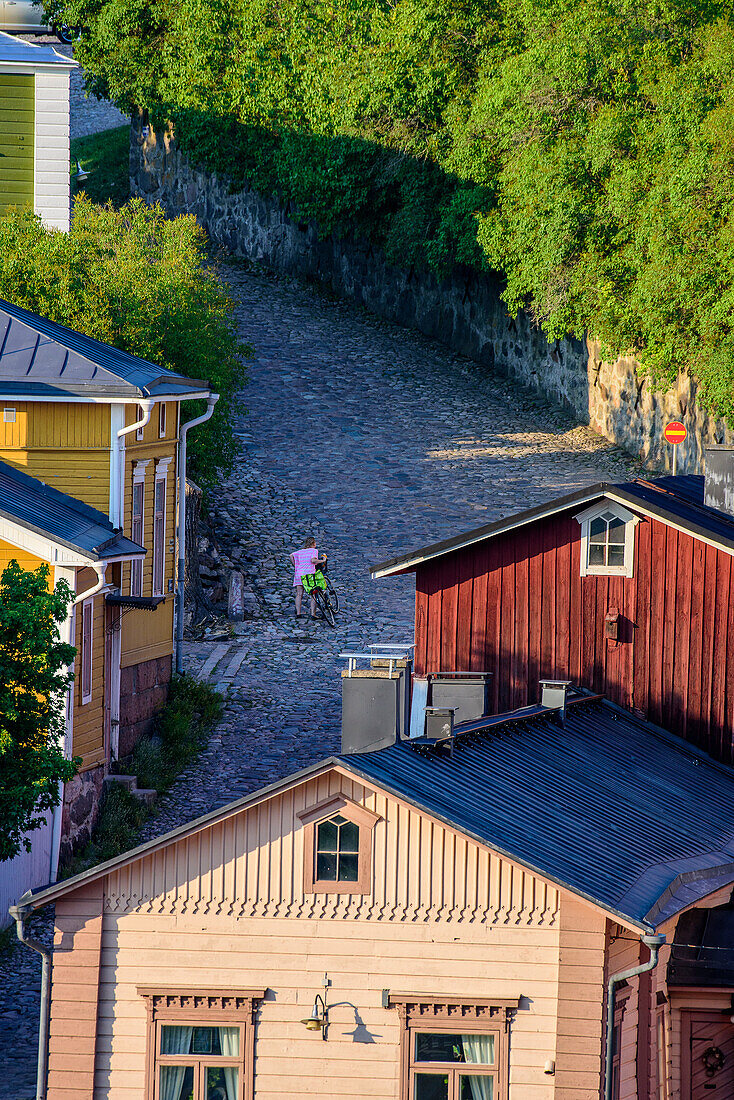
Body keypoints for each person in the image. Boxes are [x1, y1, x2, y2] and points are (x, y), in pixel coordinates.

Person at [290, 537, 326, 619]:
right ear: (313, 543)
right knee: (314, 594)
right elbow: (313, 561)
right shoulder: (314, 551)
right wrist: (322, 561)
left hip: (299, 574)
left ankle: (298, 613)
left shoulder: (300, 552)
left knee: (299, 594)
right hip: (308, 576)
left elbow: (291, 555)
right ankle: (313, 614)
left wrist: (296, 565)